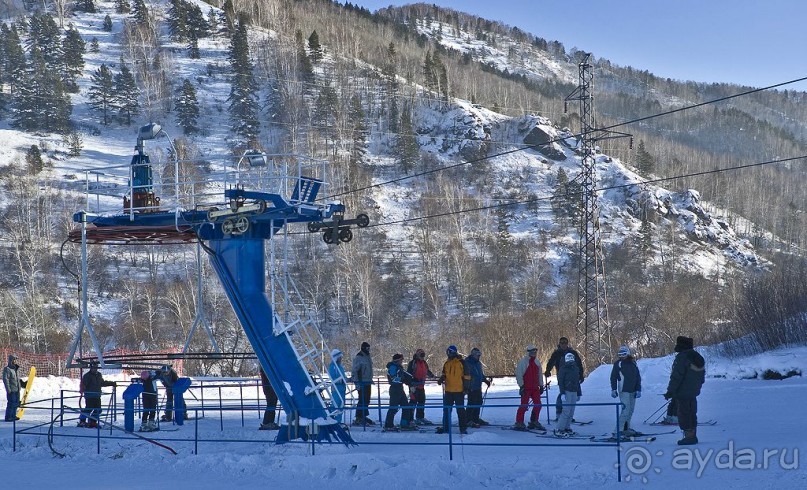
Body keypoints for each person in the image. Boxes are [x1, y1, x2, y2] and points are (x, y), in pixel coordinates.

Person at [664, 336, 705, 445]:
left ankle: (688, 437)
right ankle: (693, 435)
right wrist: (698, 386)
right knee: (692, 412)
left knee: (684, 413)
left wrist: (670, 391)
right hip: (694, 390)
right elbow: (702, 376)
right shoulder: (697, 357)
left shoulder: (682, 357)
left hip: (682, 391)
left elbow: (676, 377)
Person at [545, 337, 584, 419]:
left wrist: (581, 375)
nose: (563, 344)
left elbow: (579, 364)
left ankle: (568, 413)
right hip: (562, 376)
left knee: (572, 394)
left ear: (567, 343)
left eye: (565, 343)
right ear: (559, 344)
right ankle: (559, 413)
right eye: (562, 343)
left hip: (572, 376)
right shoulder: (557, 353)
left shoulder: (573, 353)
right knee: (562, 393)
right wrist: (548, 370)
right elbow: (551, 362)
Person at [436, 345, 469, 435]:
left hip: (459, 391)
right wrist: (441, 379)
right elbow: (444, 373)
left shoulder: (461, 362)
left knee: (460, 411)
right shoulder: (446, 363)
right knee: (447, 410)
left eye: (448, 352)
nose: (447, 354)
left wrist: (466, 387)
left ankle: (463, 428)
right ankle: (446, 427)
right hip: (448, 391)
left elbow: (467, 376)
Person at [610, 345, 642, 437]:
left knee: (631, 410)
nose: (621, 356)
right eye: (620, 354)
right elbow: (613, 377)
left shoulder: (633, 363)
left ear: (627, 354)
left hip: (633, 390)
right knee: (625, 410)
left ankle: (626, 428)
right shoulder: (618, 364)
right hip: (623, 390)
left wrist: (638, 389)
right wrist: (613, 389)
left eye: (623, 354)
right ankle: (617, 430)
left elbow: (637, 377)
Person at [514, 345, 546, 431]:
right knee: (524, 405)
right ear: (528, 352)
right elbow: (519, 374)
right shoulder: (523, 362)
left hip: (535, 387)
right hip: (526, 387)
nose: (534, 353)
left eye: (535, 352)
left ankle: (534, 421)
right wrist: (521, 386)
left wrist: (541, 385)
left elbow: (539, 374)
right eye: (532, 352)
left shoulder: (537, 362)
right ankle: (519, 422)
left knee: (538, 404)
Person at [384, 353, 416, 431]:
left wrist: (411, 383)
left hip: (400, 389)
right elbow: (393, 378)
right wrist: (403, 380)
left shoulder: (399, 367)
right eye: (401, 359)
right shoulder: (392, 367)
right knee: (393, 408)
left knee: (406, 406)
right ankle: (388, 425)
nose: (402, 361)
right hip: (395, 389)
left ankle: (404, 423)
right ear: (397, 360)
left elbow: (405, 376)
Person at [80, 361, 116, 428]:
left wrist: (111, 383)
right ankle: (82, 421)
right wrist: (83, 390)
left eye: (96, 367)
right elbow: (83, 385)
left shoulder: (98, 375)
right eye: (93, 368)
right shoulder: (87, 376)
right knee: (88, 409)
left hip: (97, 395)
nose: (95, 369)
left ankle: (93, 421)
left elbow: (101, 383)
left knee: (98, 409)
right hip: (90, 395)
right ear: (90, 368)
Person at [554, 352, 583, 437]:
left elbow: (577, 382)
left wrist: (579, 393)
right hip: (567, 391)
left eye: (571, 358)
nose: (570, 360)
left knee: (571, 411)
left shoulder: (576, 369)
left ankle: (567, 427)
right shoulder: (563, 369)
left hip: (574, 391)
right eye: (568, 358)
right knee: (566, 411)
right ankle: (560, 428)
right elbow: (561, 382)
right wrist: (562, 393)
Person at [464, 347, 491, 428]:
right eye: (477, 355)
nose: (479, 357)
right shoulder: (467, 363)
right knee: (471, 403)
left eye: (479, 355)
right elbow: (466, 375)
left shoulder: (478, 363)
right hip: (471, 386)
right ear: (473, 355)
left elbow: (480, 374)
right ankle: (468, 420)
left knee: (478, 402)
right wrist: (467, 386)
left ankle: (475, 418)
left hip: (478, 386)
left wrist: (485, 380)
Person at [406, 348, 435, 425]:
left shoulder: (424, 363)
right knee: (413, 402)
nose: (422, 356)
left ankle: (420, 417)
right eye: (421, 355)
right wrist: (412, 383)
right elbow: (408, 374)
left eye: (423, 355)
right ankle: (410, 419)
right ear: (417, 355)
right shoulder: (413, 363)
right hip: (414, 386)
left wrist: (431, 375)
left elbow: (427, 370)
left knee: (421, 401)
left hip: (421, 386)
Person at [352, 341, 374, 425]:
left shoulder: (368, 356)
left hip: (368, 381)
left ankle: (363, 415)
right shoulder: (359, 357)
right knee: (362, 399)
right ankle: (359, 417)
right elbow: (355, 370)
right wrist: (357, 382)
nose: (368, 350)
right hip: (362, 382)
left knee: (367, 399)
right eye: (367, 348)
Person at [328, 349, 348, 423]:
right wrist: (343, 380)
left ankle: (338, 421)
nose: (341, 359)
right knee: (336, 405)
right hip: (336, 389)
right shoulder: (333, 367)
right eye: (339, 357)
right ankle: (334, 421)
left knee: (341, 405)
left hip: (342, 389)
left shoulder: (340, 366)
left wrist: (347, 379)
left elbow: (343, 376)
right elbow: (333, 378)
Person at [3, 354, 21, 422]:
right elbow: (6, 379)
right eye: (14, 359)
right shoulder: (7, 369)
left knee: (16, 403)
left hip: (17, 390)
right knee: (11, 403)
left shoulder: (16, 369)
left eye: (15, 360)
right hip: (11, 390)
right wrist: (8, 389)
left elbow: (17, 379)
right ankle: (8, 416)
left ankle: (13, 415)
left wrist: (21, 384)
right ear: (11, 360)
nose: (15, 361)